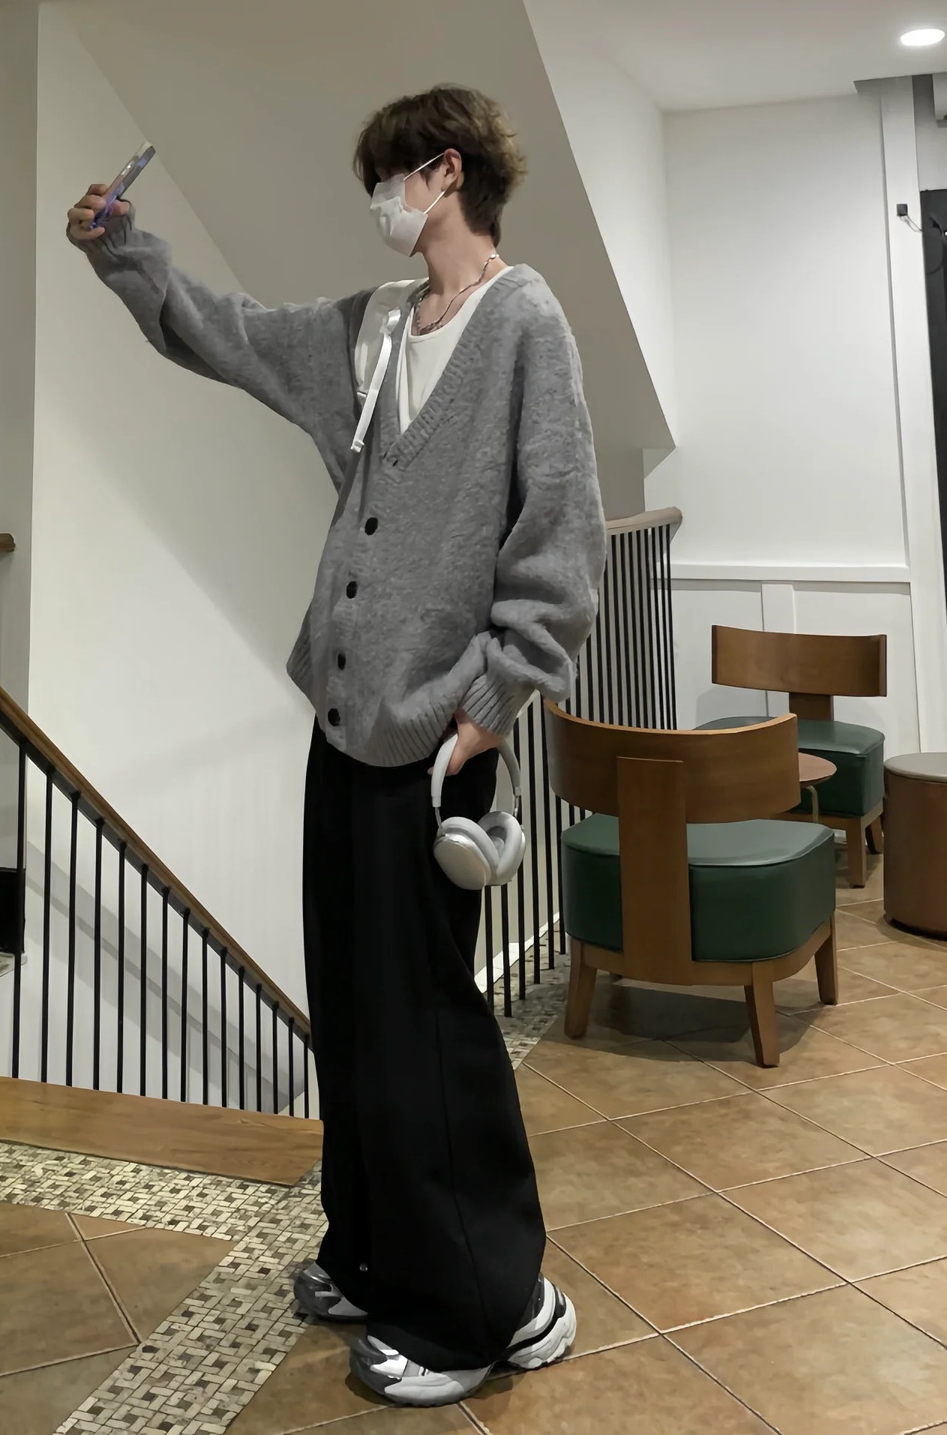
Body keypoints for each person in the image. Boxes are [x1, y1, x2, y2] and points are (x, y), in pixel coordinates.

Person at [66, 84, 605, 1407]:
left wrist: (491, 704)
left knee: (424, 1026)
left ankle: (489, 1306)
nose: (378, 201)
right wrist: (123, 251)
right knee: (355, 1012)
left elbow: (562, 533)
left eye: (388, 178)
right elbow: (232, 335)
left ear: (444, 172)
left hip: (440, 741)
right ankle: (372, 1251)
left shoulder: (524, 323)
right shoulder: (373, 328)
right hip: (346, 722)